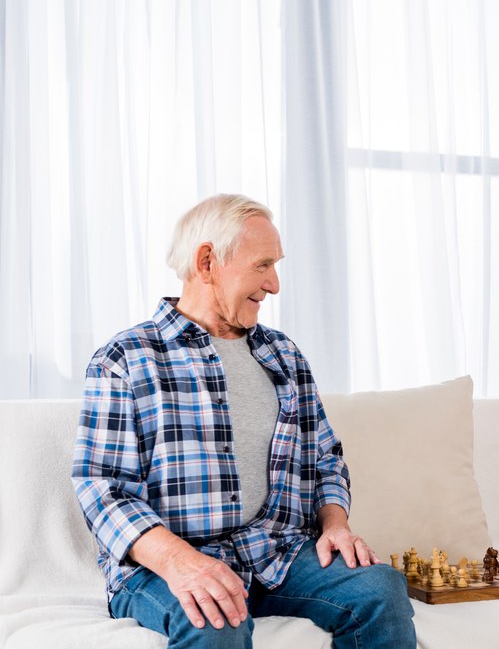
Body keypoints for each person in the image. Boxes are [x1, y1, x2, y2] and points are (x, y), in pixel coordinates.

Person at [72, 195, 416, 648]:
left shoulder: (284, 355)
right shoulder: (126, 359)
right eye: (263, 265)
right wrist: (181, 563)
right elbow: (102, 486)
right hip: (165, 563)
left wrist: (335, 524)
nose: (274, 284)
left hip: (276, 553)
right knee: (217, 620)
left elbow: (325, 457)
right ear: (207, 261)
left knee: (379, 590)